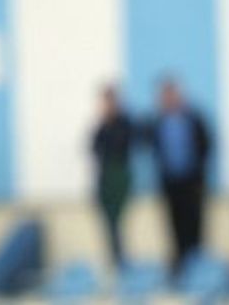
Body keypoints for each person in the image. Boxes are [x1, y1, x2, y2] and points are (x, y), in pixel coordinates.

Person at [139, 77, 213, 280]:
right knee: (174, 225)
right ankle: (180, 266)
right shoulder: (157, 122)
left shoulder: (194, 118)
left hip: (192, 183)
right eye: (165, 95)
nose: (169, 99)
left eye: (172, 94)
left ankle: (197, 266)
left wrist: (199, 171)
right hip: (170, 184)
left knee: (195, 223)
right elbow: (147, 144)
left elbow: (207, 145)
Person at [91, 84, 133, 270]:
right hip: (105, 179)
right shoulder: (101, 126)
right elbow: (94, 149)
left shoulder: (124, 124)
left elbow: (122, 145)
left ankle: (121, 260)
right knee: (108, 224)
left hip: (118, 178)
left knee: (118, 222)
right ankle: (115, 259)